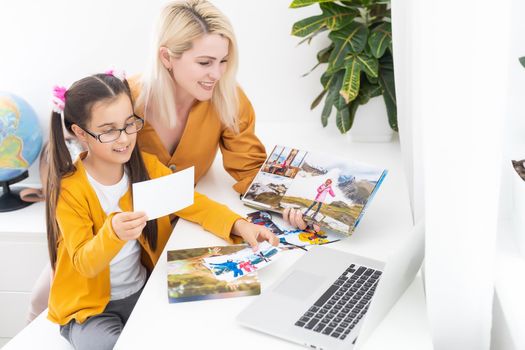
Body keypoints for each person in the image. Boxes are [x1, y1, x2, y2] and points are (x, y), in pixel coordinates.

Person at [28, 0, 311, 322]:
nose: (216, 74)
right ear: (167, 57)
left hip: (181, 221)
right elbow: (71, 150)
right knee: (45, 304)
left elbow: (249, 166)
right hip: (110, 234)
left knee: (217, 308)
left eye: (224, 61)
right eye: (205, 62)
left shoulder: (228, 97)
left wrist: (292, 203)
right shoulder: (124, 101)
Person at [44, 72, 278, 349]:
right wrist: (113, 233)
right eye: (108, 130)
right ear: (80, 133)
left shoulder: (144, 166)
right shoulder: (70, 189)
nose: (124, 138)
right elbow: (85, 262)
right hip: (91, 311)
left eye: (130, 124)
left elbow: (193, 203)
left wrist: (240, 225)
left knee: (201, 327)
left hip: (143, 290)